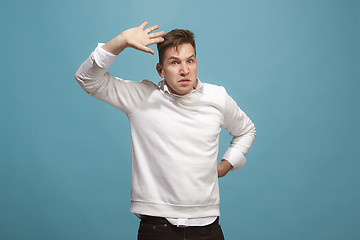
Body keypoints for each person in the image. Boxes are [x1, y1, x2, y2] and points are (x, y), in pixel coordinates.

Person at [75, 21, 256, 240]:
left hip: (207, 226)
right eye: (174, 62)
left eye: (190, 60)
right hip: (157, 227)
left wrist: (227, 164)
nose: (184, 70)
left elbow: (246, 130)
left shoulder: (217, 97)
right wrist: (121, 41)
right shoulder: (142, 97)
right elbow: (86, 78)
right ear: (160, 70)